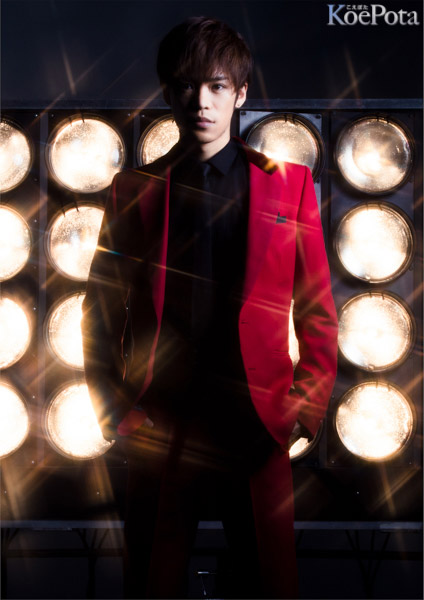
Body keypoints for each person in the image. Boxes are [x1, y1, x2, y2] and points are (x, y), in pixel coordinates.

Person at [82, 16, 338, 599]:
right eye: (187, 86)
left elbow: (318, 311)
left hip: (256, 427)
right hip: (162, 426)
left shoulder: (289, 184)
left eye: (217, 86)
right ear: (168, 93)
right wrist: (117, 410)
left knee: (269, 585)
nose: (201, 101)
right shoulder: (133, 190)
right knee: (151, 585)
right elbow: (99, 315)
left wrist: (302, 410)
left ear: (240, 94)